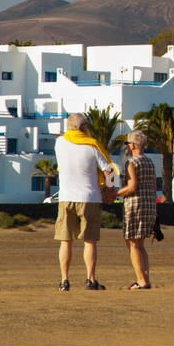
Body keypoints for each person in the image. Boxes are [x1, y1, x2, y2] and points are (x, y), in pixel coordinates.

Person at [53, 113, 116, 291]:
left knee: (65, 241)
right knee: (90, 241)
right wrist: (110, 190)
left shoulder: (59, 143)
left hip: (65, 197)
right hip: (90, 197)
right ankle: (90, 279)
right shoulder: (92, 145)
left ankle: (64, 281)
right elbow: (108, 171)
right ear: (83, 127)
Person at [115, 130, 157, 289]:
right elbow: (153, 187)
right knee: (140, 244)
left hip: (135, 205)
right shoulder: (149, 162)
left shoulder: (131, 163)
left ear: (132, 145)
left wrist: (116, 194)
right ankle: (145, 278)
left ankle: (141, 280)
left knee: (132, 243)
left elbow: (132, 186)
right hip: (149, 204)